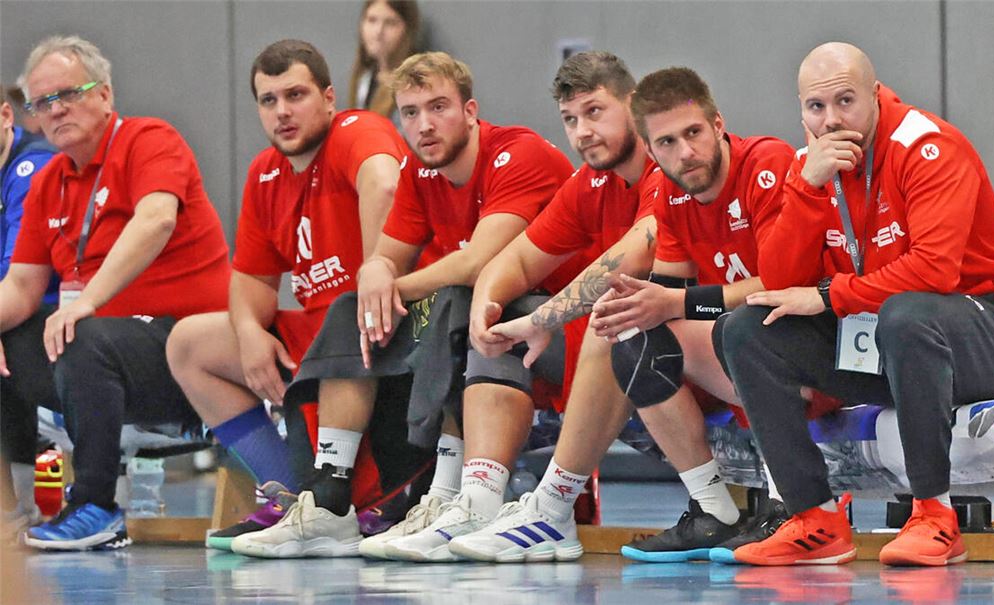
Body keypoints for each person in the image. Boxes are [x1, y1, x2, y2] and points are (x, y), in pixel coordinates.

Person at [228, 51, 574, 560]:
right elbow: (386, 259)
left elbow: (479, 262)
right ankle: (329, 500)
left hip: (564, 324)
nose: (424, 125)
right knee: (351, 307)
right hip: (485, 323)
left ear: (471, 111)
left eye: (438, 107)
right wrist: (373, 272)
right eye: (410, 112)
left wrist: (391, 283)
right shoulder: (419, 172)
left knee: (463, 300)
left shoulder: (518, 154)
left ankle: (453, 496)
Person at [452, 65, 798, 563]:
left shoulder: (762, 163)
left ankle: (552, 506)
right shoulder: (663, 188)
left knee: (634, 321)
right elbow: (522, 259)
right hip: (727, 352)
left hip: (799, 352)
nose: (583, 131)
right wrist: (485, 311)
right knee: (621, 322)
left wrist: (544, 319)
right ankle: (471, 501)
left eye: (595, 111)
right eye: (571, 119)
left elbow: (777, 287)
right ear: (653, 145)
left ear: (718, 125)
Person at [718, 42, 994, 567]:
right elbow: (781, 279)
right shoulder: (810, 166)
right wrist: (807, 189)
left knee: (906, 313)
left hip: (990, 331)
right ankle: (814, 519)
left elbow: (934, 270)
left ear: (875, 94)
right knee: (745, 329)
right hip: (893, 346)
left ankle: (934, 516)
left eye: (846, 101)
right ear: (801, 111)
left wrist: (827, 296)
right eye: (817, 107)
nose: (832, 120)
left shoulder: (927, 146)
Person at [166, 39, 423, 552]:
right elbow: (251, 282)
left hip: (382, 326)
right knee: (189, 344)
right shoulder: (266, 173)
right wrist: (249, 336)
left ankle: (331, 499)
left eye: (295, 95)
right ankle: (290, 496)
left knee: (346, 313)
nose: (282, 111)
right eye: (268, 100)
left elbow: (385, 183)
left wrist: (377, 269)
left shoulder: (356, 130)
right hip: (319, 337)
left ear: (328, 98)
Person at [0, 35, 230, 550]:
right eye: (42, 102)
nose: (56, 110)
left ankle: (95, 506)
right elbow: (20, 286)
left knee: (84, 336)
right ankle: (13, 507)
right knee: (14, 342)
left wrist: (88, 301)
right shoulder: (50, 183)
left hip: (189, 344)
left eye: (68, 94)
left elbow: (156, 219)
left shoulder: (149, 140)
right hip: (104, 356)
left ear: (104, 94)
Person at [0, 83, 56, 537]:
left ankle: (15, 505)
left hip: (52, 313)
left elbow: (18, 274)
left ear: (5, 117)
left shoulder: (33, 167)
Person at [347, 0, 420, 121]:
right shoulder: (364, 78)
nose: (378, 32)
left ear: (408, 30)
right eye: (372, 20)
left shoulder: (415, 86)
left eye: (390, 23)